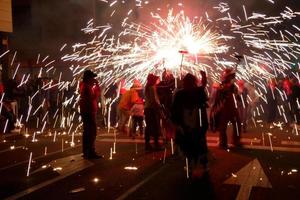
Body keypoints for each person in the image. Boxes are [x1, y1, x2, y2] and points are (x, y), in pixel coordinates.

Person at [171, 72, 209, 177]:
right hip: (192, 125)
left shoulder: (181, 94)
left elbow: (174, 110)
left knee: (191, 145)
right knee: (198, 144)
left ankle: (194, 165)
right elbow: (203, 90)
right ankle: (201, 165)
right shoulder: (194, 92)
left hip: (190, 124)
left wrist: (177, 124)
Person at [211, 68, 242, 149]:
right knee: (222, 127)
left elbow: (237, 96)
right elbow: (219, 95)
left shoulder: (232, 86)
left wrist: (238, 95)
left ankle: (236, 140)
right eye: (229, 77)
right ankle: (223, 142)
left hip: (232, 109)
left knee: (237, 123)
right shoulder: (221, 86)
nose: (230, 78)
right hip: (223, 110)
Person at [79, 70, 102, 159]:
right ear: (88, 78)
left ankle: (87, 151)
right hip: (89, 111)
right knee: (91, 132)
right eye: (92, 77)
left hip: (87, 110)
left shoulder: (84, 85)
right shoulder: (86, 87)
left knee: (88, 132)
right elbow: (92, 98)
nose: (94, 79)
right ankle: (90, 152)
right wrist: (97, 89)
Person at [144, 73, 162, 151]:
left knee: (148, 127)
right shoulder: (152, 88)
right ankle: (156, 144)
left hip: (147, 109)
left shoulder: (147, 87)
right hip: (152, 109)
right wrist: (159, 106)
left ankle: (147, 144)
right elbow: (154, 100)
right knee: (155, 127)